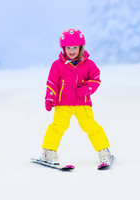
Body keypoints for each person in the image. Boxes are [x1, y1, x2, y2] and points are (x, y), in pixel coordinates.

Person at [40, 28, 112, 166]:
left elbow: (96, 78)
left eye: (75, 47)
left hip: (82, 103)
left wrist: (87, 89)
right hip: (63, 104)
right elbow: (52, 83)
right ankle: (47, 152)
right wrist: (50, 97)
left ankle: (104, 151)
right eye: (68, 47)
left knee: (91, 126)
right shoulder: (57, 65)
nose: (71, 51)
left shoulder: (89, 64)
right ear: (63, 48)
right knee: (57, 127)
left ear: (81, 48)